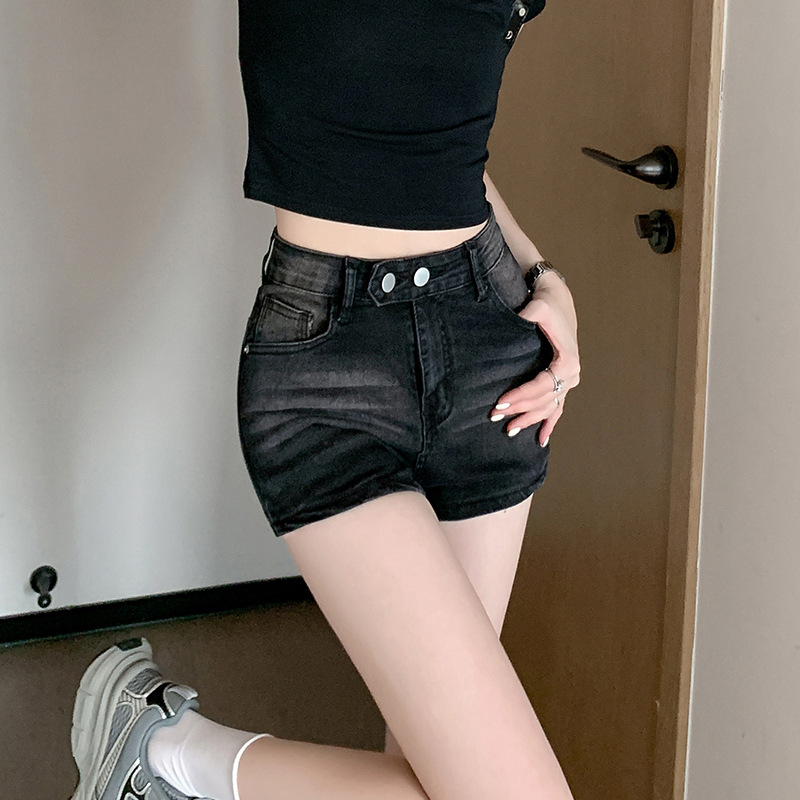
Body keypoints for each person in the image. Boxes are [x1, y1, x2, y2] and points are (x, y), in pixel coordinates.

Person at [68, 1, 581, 799]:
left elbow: (444, 147)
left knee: (441, 769)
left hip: (491, 351)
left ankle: (157, 747)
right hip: (328, 365)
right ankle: (169, 749)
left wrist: (546, 277)